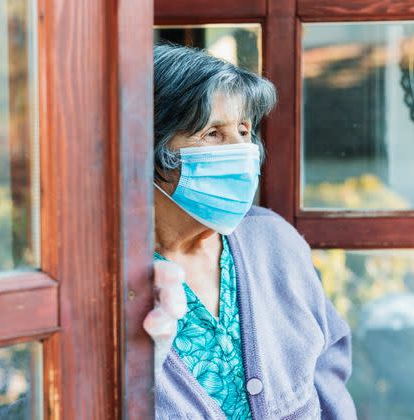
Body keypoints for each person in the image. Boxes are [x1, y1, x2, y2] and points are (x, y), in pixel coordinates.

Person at [143, 44, 357, 419]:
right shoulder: (110, 275)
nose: (242, 150)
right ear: (149, 148)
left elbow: (328, 363)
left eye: (244, 131)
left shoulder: (273, 240)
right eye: (213, 133)